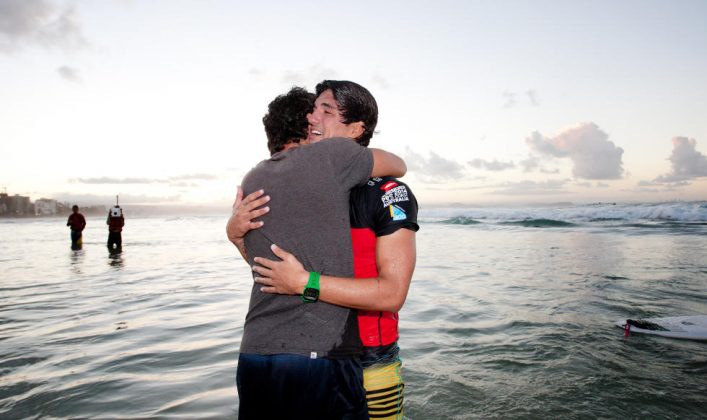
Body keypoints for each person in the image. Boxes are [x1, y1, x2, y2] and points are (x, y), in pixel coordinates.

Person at [231, 80, 419, 420]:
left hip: (370, 356)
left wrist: (305, 283)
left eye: (325, 111)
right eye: (312, 109)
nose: (312, 118)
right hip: (315, 353)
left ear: (356, 129)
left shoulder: (388, 192)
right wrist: (236, 235)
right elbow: (274, 274)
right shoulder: (302, 184)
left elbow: (392, 292)